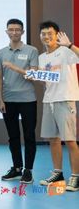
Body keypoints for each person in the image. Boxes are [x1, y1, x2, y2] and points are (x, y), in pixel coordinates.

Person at [36, 22, 79, 191]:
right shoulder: (42, 57)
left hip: (65, 99)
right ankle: (58, 174)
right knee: (53, 139)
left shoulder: (66, 51)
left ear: (57, 35)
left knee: (70, 140)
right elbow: (47, 80)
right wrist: (34, 75)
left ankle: (75, 176)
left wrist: (70, 45)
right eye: (43, 34)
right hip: (49, 101)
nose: (46, 36)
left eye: (50, 33)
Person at [0, 18, 39, 184]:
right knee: (13, 136)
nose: (14, 32)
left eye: (17, 29)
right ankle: (17, 168)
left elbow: (33, 75)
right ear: (7, 32)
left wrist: (14, 68)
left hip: (28, 99)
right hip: (8, 100)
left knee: (29, 136)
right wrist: (1, 99)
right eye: (11, 29)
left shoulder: (32, 50)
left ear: (22, 32)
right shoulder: (1, 52)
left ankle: (28, 170)